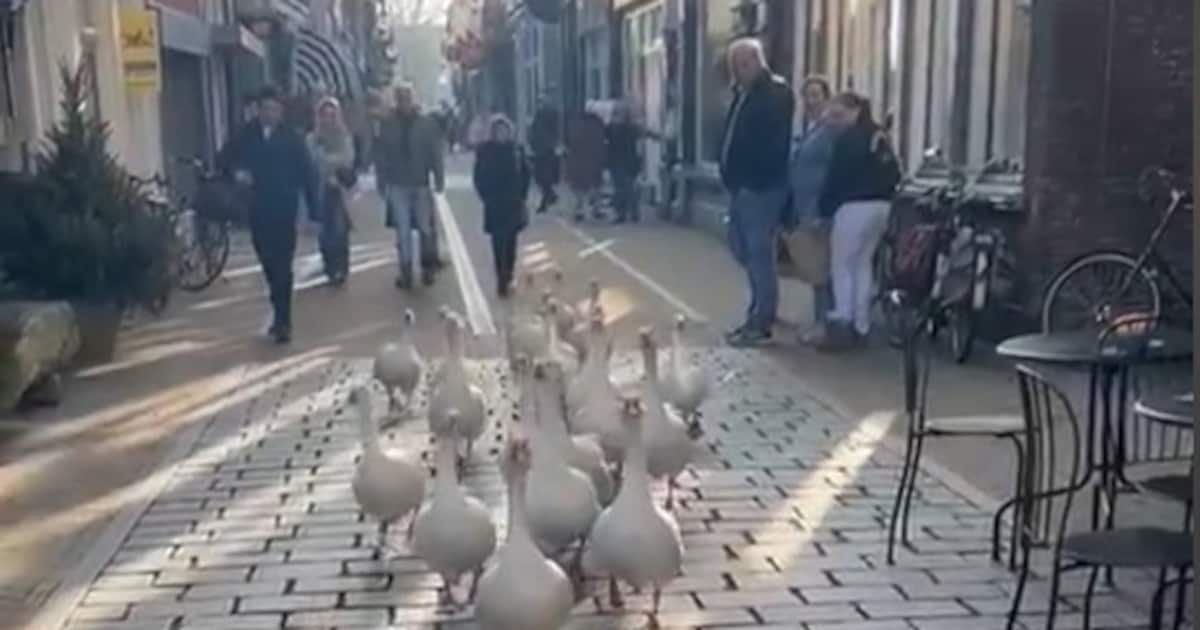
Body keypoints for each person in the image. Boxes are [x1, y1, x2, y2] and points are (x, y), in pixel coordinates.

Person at [219, 86, 318, 344]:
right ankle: (277, 302)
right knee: (267, 261)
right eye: (265, 109)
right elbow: (224, 159)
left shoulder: (291, 138)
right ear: (258, 110)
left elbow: (307, 173)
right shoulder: (246, 134)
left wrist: (314, 211)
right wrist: (237, 172)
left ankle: (284, 320)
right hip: (257, 207)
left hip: (285, 208)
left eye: (274, 109)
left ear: (281, 111)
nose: (269, 114)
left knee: (283, 264)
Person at [719, 38, 795, 347]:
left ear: (758, 62)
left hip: (760, 187)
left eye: (744, 65)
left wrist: (754, 177)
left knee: (758, 253)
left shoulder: (774, 93)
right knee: (742, 248)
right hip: (741, 187)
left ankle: (761, 319)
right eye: (735, 67)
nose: (739, 72)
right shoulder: (743, 94)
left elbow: (770, 142)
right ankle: (760, 309)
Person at [816, 92, 902, 351]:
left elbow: (835, 177)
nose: (836, 121)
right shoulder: (880, 135)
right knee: (863, 263)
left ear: (854, 110)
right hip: (881, 206)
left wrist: (825, 208)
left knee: (842, 264)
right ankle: (862, 323)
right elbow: (894, 172)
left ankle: (844, 320)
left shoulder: (849, 139)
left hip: (852, 207)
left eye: (839, 115)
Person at [373, 83, 445, 289]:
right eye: (401, 98)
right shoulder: (388, 124)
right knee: (402, 230)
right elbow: (382, 155)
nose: (404, 101)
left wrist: (438, 178)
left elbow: (434, 152)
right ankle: (405, 271)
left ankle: (427, 266)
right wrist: (381, 180)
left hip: (420, 182)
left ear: (413, 99)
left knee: (424, 228)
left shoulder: (426, 124)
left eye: (407, 97)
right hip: (398, 184)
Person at [789, 76, 839, 345]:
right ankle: (822, 321)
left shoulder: (830, 130)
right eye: (807, 96)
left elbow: (832, 169)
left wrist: (823, 208)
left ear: (827, 98)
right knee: (816, 267)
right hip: (806, 205)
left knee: (822, 269)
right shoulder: (811, 127)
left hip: (820, 207)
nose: (810, 101)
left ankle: (825, 324)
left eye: (816, 95)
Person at [473, 115, 531, 297]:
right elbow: (479, 177)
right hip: (495, 203)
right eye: (498, 131)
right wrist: (486, 196)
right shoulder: (485, 152)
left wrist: (522, 194)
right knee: (498, 242)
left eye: (505, 130)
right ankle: (501, 277)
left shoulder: (517, 150)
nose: (502, 134)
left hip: (513, 202)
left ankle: (509, 274)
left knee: (511, 242)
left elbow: (526, 173)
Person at [307, 97, 357, 286]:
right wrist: (329, 162)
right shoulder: (312, 138)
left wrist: (326, 161)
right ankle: (329, 266)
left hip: (339, 190)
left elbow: (348, 158)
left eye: (332, 115)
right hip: (319, 188)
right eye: (324, 115)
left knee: (340, 230)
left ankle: (341, 268)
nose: (328, 119)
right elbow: (311, 160)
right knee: (323, 231)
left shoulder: (344, 137)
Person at [605, 101, 660, 224]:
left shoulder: (614, 127)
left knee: (623, 187)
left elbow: (647, 134)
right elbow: (648, 134)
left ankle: (624, 213)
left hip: (621, 160)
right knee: (626, 187)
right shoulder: (626, 127)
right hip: (626, 160)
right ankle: (629, 212)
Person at [564, 105, 607, 222]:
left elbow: (569, 141)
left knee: (579, 187)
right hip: (594, 159)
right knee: (596, 185)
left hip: (577, 160)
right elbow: (602, 141)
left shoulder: (575, 123)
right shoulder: (598, 124)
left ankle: (580, 209)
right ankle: (596, 208)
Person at [528, 100, 561, 214]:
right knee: (543, 177)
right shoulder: (547, 117)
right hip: (544, 150)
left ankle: (548, 198)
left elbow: (535, 134)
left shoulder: (541, 118)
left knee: (542, 177)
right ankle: (549, 197)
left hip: (543, 151)